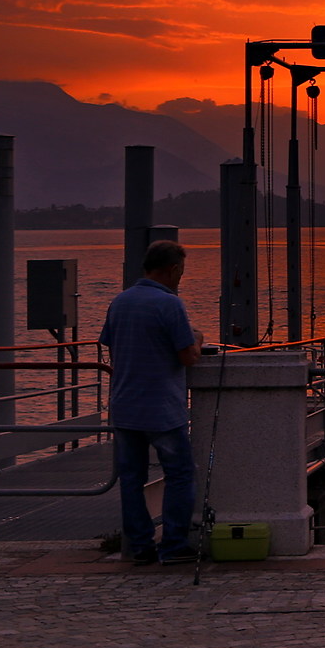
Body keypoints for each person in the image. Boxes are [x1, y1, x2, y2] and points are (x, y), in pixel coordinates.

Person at [100, 239, 203, 564]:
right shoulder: (170, 304)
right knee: (180, 474)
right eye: (181, 272)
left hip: (125, 406)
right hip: (162, 409)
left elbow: (111, 347)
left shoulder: (120, 301)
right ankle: (173, 545)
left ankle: (140, 546)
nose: (181, 278)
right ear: (173, 269)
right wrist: (197, 339)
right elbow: (188, 357)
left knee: (131, 479)